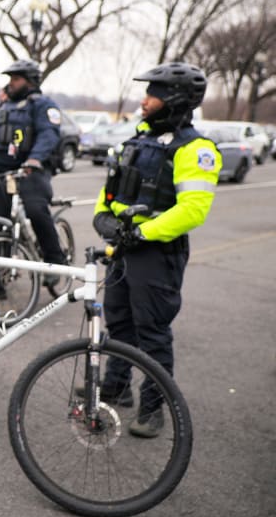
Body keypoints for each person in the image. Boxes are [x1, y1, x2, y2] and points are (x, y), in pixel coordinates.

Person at [90, 62, 220, 437]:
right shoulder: (138, 140)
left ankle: (153, 408)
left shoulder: (196, 149)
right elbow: (110, 189)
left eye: (153, 93)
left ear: (174, 99)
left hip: (157, 253)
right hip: (124, 247)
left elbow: (193, 210)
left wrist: (143, 234)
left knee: (152, 331)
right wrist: (103, 217)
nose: (144, 99)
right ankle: (116, 388)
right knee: (118, 321)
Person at [0, 60, 65, 288]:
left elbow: (49, 134)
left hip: (29, 171)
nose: (11, 83)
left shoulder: (42, 105)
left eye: (16, 79)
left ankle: (54, 260)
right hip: (0, 173)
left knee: (36, 210)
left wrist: (34, 159)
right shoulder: (2, 108)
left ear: (31, 81)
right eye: (10, 79)